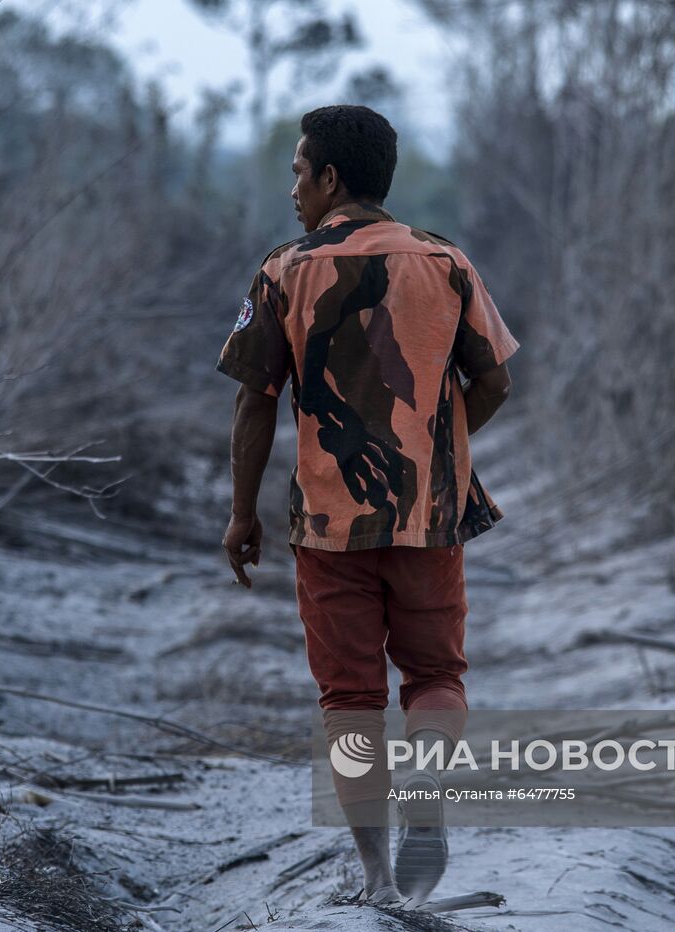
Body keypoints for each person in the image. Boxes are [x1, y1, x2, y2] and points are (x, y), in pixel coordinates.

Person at [216, 104, 518, 907]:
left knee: (348, 698)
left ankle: (379, 878)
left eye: (297, 172)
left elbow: (255, 403)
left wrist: (242, 515)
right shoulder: (447, 262)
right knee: (435, 674)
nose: (292, 189)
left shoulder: (285, 270)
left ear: (330, 178)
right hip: (431, 515)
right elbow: (494, 382)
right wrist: (437, 447)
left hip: (327, 526)